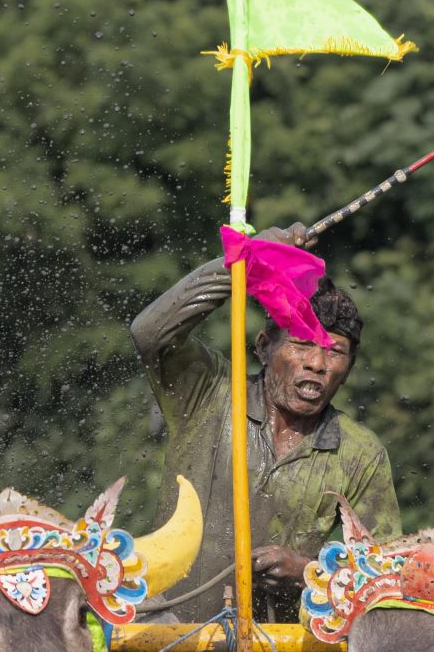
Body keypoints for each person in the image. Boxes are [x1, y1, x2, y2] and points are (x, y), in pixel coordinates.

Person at [130, 227, 402, 620]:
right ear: (263, 347)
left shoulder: (360, 453)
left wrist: (311, 573)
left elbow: (385, 580)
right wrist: (244, 260)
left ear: (350, 367)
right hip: (165, 648)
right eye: (302, 343)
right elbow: (149, 334)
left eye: (334, 352)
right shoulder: (209, 394)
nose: (317, 363)